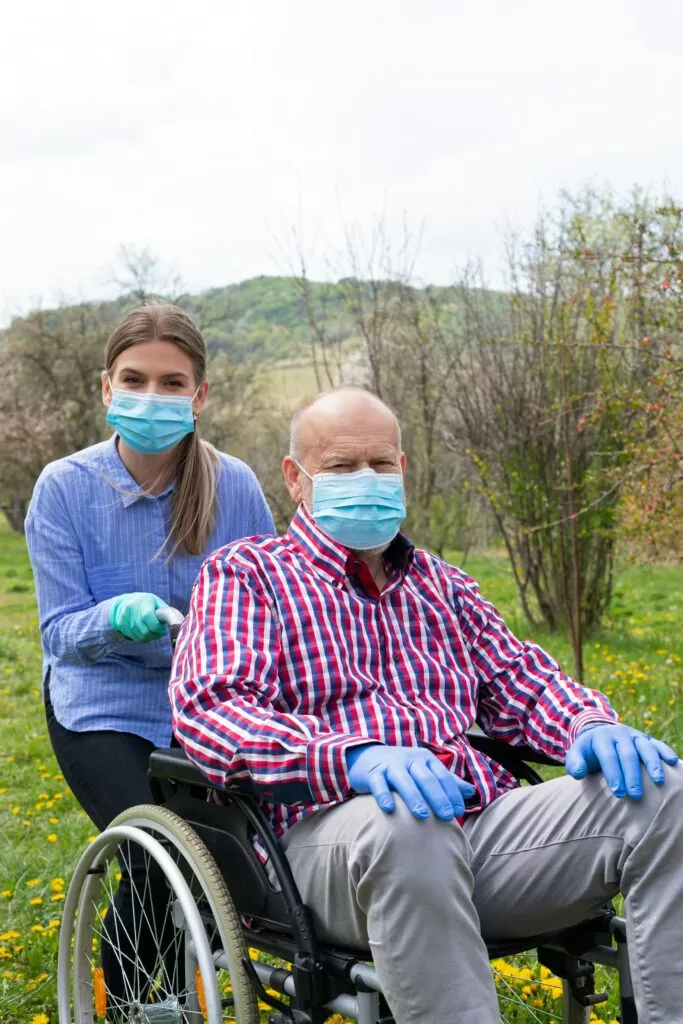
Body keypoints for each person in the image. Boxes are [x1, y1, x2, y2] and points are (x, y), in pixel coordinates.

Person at [170, 386, 682, 1024]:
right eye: (340, 466)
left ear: (404, 471)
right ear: (296, 480)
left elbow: (520, 679)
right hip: (326, 844)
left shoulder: (443, 584)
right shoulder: (248, 575)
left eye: (382, 464)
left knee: (662, 790)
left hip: (475, 830)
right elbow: (212, 711)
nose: (367, 479)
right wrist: (354, 757)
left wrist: (589, 723)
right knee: (407, 822)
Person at [25, 303, 274, 1005]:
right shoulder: (66, 489)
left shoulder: (236, 487)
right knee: (157, 851)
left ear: (199, 395)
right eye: (134, 379)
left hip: (206, 702)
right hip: (101, 701)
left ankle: (200, 983)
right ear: (107, 388)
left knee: (228, 859)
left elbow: (264, 609)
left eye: (172, 383)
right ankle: (136, 1005)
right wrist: (117, 618)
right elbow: (59, 634)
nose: (151, 397)